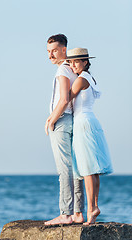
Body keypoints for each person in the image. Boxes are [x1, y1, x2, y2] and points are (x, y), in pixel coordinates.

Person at [65, 47, 113, 225]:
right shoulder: (88, 77)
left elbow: (66, 99)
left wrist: (52, 117)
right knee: (91, 170)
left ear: (85, 62)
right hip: (89, 121)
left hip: (83, 123)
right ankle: (94, 207)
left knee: (87, 170)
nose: (73, 65)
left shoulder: (82, 79)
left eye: (76, 61)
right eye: (70, 62)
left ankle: (92, 208)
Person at [44, 35, 84, 225]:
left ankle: (66, 214)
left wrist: (51, 120)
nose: (50, 55)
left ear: (63, 50)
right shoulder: (72, 69)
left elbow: (63, 99)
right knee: (75, 167)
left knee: (64, 169)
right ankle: (78, 212)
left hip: (62, 120)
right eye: (48, 51)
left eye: (53, 50)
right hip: (71, 119)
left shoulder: (62, 69)